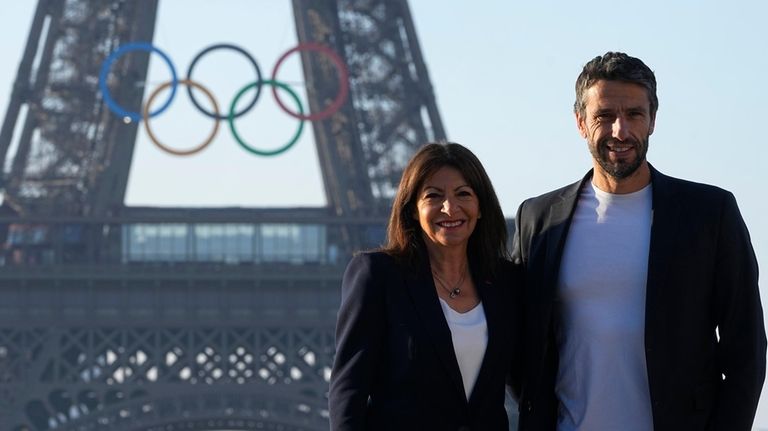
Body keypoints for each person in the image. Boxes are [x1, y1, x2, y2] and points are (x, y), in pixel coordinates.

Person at [511, 51, 766, 431]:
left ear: (652, 121)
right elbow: (517, 341)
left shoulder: (710, 213)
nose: (620, 131)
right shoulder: (538, 218)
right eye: (605, 116)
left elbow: (746, 347)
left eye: (634, 115)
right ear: (580, 122)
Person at [329, 142, 522, 430]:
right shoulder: (379, 276)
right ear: (412, 210)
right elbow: (349, 391)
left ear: (480, 207)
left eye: (463, 194)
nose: (450, 207)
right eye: (434, 195)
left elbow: (527, 384)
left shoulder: (507, 282)